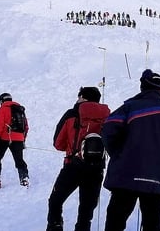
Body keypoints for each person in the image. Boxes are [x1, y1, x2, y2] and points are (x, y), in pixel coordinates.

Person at [101, 69, 160, 231]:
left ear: (142, 87)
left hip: (126, 175)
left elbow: (108, 131)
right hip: (158, 177)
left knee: (115, 222)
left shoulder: (129, 108)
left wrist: (119, 155)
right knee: (153, 225)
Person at [47, 87, 111, 231]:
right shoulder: (107, 115)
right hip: (96, 168)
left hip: (73, 165)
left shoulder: (72, 113)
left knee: (55, 201)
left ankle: (55, 226)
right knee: (86, 209)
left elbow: (58, 143)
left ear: (82, 97)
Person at [0, 93, 30, 189]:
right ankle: (24, 179)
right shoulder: (20, 110)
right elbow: (26, 127)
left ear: (2, 100)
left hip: (4, 137)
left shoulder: (2, 109)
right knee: (19, 160)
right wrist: (23, 139)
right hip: (19, 138)